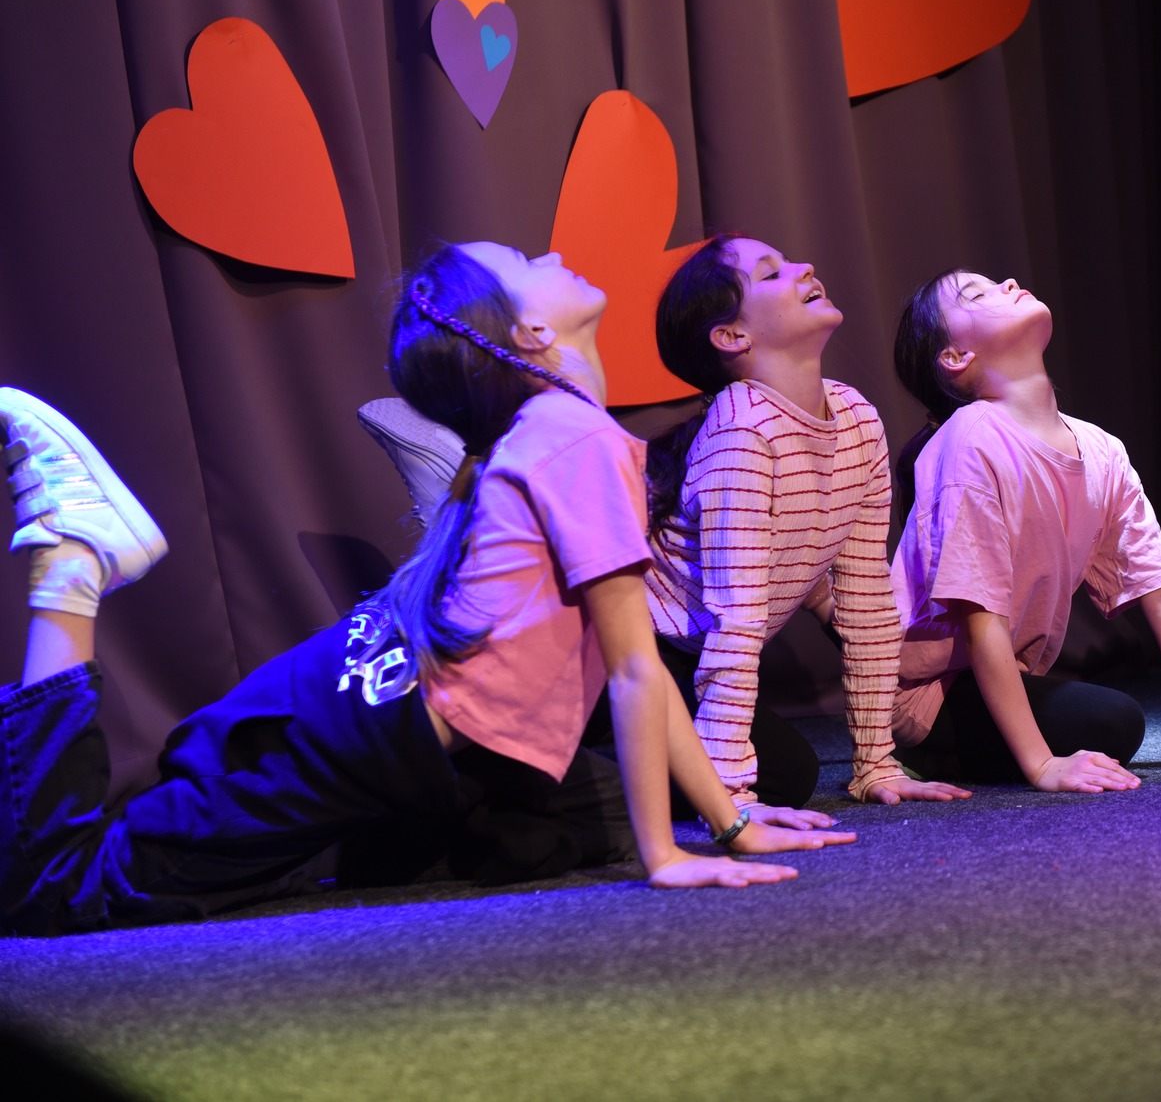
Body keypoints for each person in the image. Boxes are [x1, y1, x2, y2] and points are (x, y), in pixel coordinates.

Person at [0, 243, 850, 936]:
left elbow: (638, 669)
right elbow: (635, 668)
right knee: (63, 891)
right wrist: (668, 855)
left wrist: (732, 819)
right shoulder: (573, 436)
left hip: (366, 705)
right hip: (360, 721)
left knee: (552, 823)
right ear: (528, 331)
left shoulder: (559, 431)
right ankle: (71, 561)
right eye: (526, 259)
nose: (552, 252)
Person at [628, 235, 971, 817]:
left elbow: (864, 598)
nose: (804, 267)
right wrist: (729, 799)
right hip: (640, 652)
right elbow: (736, 620)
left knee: (783, 771)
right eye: (771, 273)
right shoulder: (741, 435)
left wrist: (876, 762)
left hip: (698, 652)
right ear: (732, 336)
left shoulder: (855, 416)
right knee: (780, 777)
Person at [889, 269, 1161, 792]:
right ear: (956, 356)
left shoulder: (1102, 450)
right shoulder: (969, 438)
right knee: (1110, 722)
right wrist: (1042, 766)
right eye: (977, 293)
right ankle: (927, 752)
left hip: (999, 671)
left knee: (1108, 722)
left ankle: (977, 750)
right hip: (924, 692)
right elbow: (979, 617)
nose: (1008, 282)